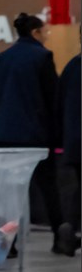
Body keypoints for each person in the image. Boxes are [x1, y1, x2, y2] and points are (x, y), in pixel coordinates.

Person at [0, 12, 65, 254]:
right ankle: (60, 239)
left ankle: (7, 244)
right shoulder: (42, 56)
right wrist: (57, 135)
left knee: (8, 191)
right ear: (35, 33)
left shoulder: (2, 57)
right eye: (45, 32)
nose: (47, 36)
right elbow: (52, 99)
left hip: (3, 136)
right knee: (48, 187)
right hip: (35, 136)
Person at [56, 47, 81, 255]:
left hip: (74, 139)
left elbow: (59, 102)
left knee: (78, 187)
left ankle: (71, 227)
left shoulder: (72, 66)